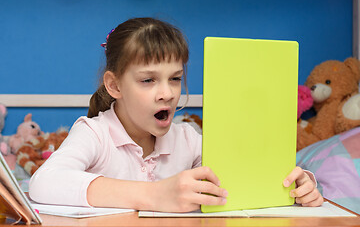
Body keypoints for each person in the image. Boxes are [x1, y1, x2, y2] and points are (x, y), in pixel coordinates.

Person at [29, 17, 323, 212]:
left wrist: (300, 185)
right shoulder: (94, 133)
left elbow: (237, 182)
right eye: (148, 80)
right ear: (114, 85)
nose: (167, 93)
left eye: (175, 78)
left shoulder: (187, 138)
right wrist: (156, 195)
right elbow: (43, 182)